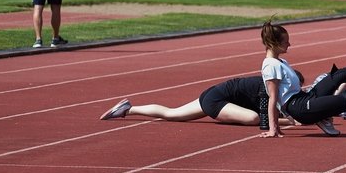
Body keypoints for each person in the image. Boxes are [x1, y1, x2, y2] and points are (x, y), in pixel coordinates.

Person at [100, 76, 292, 126]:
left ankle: (129, 109)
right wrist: (291, 121)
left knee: (171, 114)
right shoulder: (269, 87)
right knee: (252, 118)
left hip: (213, 94)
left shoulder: (268, 81)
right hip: (216, 100)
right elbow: (265, 117)